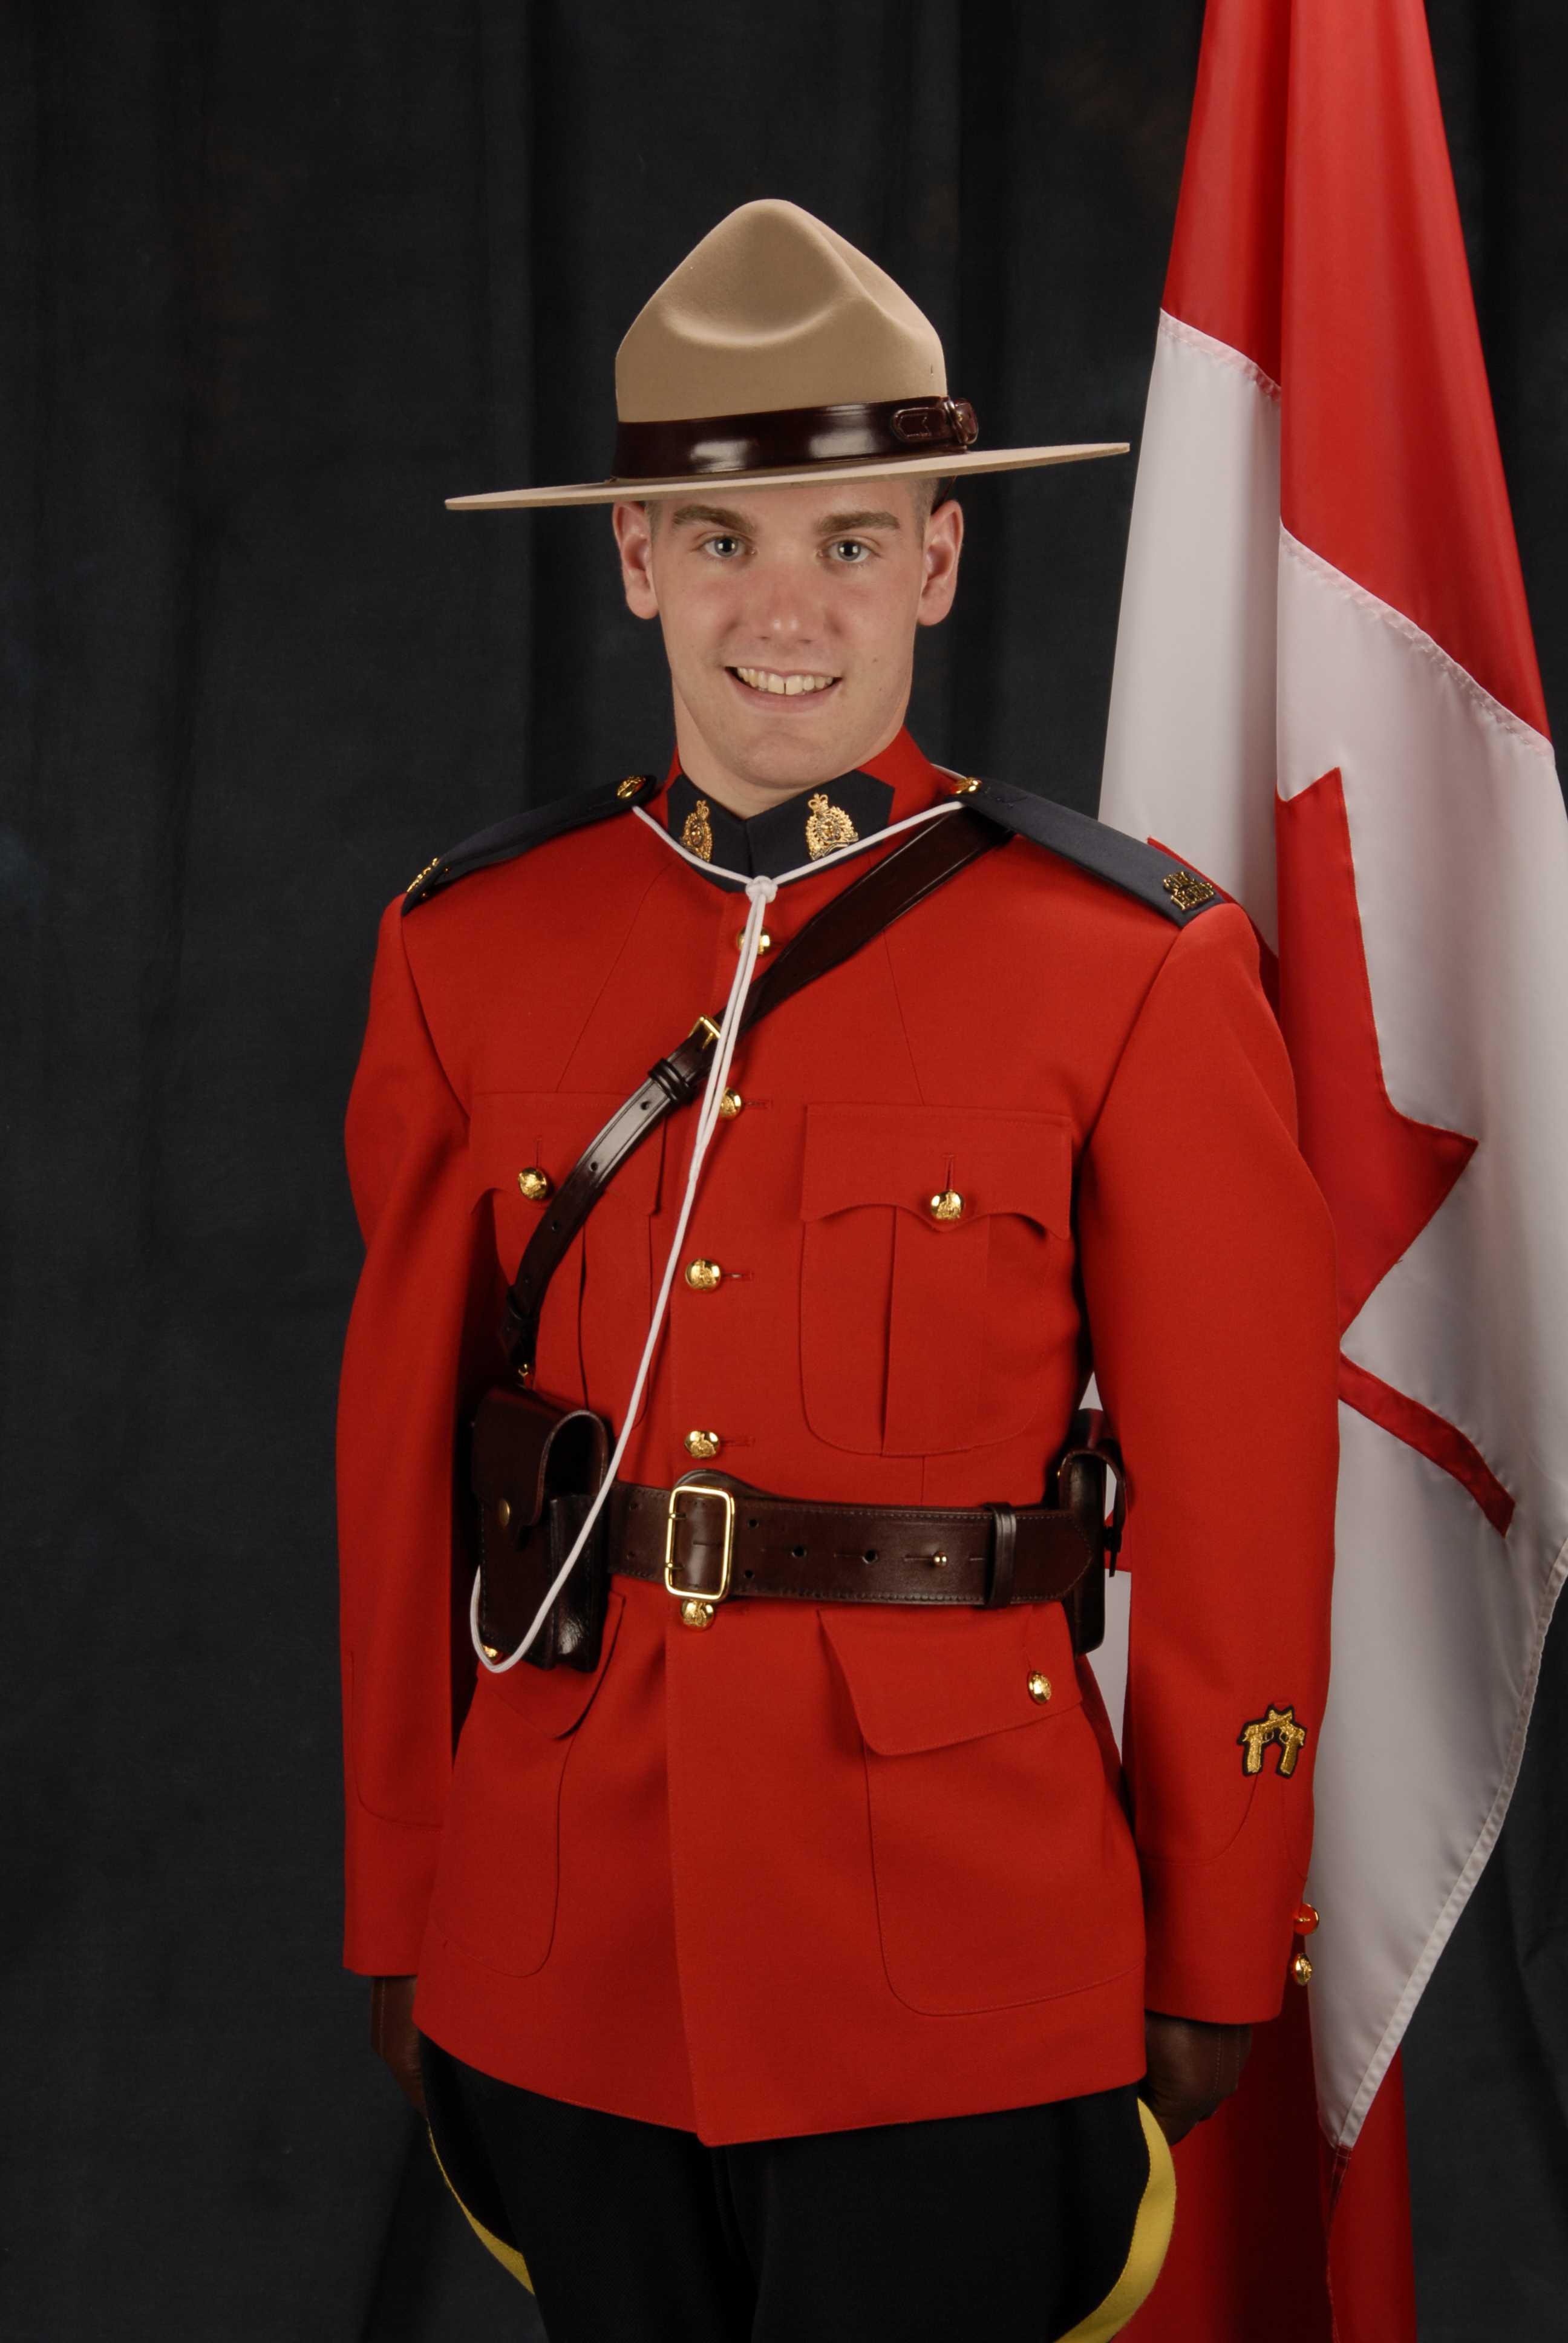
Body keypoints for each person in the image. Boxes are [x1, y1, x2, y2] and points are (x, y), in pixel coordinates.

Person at [336, 198, 1339, 2342]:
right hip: (564, 1933)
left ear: (940, 563)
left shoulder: (1125, 963)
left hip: (958, 1949)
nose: (785, 610)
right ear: (634, 556)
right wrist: (406, 1897)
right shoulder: (470, 951)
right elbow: (398, 1476)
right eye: (723, 543)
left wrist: (1216, 1938)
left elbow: (1245, 1502)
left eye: (854, 543)